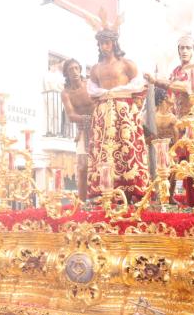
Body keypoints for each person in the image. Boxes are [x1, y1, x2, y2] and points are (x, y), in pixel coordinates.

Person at [145, 35, 194, 205]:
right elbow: (171, 96)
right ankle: (179, 200)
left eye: (188, 47)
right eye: (182, 48)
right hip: (179, 122)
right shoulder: (176, 71)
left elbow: (189, 88)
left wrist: (157, 81)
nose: (185, 51)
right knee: (180, 161)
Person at [86, 22, 147, 201]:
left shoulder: (127, 64)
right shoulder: (96, 69)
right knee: (102, 151)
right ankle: (103, 190)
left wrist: (133, 111)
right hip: (104, 114)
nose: (103, 47)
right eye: (100, 43)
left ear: (114, 43)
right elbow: (93, 94)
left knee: (127, 148)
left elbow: (140, 89)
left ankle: (131, 189)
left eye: (106, 43)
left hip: (124, 112)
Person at [61, 58, 96, 201]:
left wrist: (93, 119)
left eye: (76, 68)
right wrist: (86, 120)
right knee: (82, 167)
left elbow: (100, 101)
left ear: (80, 70)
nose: (74, 72)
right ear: (66, 74)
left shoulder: (89, 85)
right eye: (71, 69)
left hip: (100, 127)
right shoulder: (66, 93)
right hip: (83, 130)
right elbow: (71, 115)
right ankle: (81, 204)